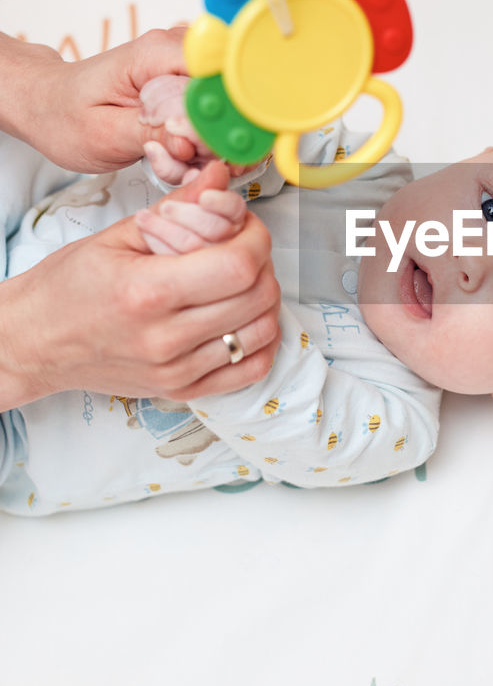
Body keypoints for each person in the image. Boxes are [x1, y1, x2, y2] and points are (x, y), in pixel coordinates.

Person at [0, 72, 493, 516]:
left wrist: (220, 283)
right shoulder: (358, 169)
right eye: (491, 211)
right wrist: (207, 141)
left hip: (23, 424)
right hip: (30, 202)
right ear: (473, 160)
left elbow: (281, 415)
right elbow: (262, 142)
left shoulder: (394, 419)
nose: (470, 263)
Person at [0, 32, 282, 419]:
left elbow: (319, 440)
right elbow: (286, 158)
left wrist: (34, 87)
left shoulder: (393, 410)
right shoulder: (370, 171)